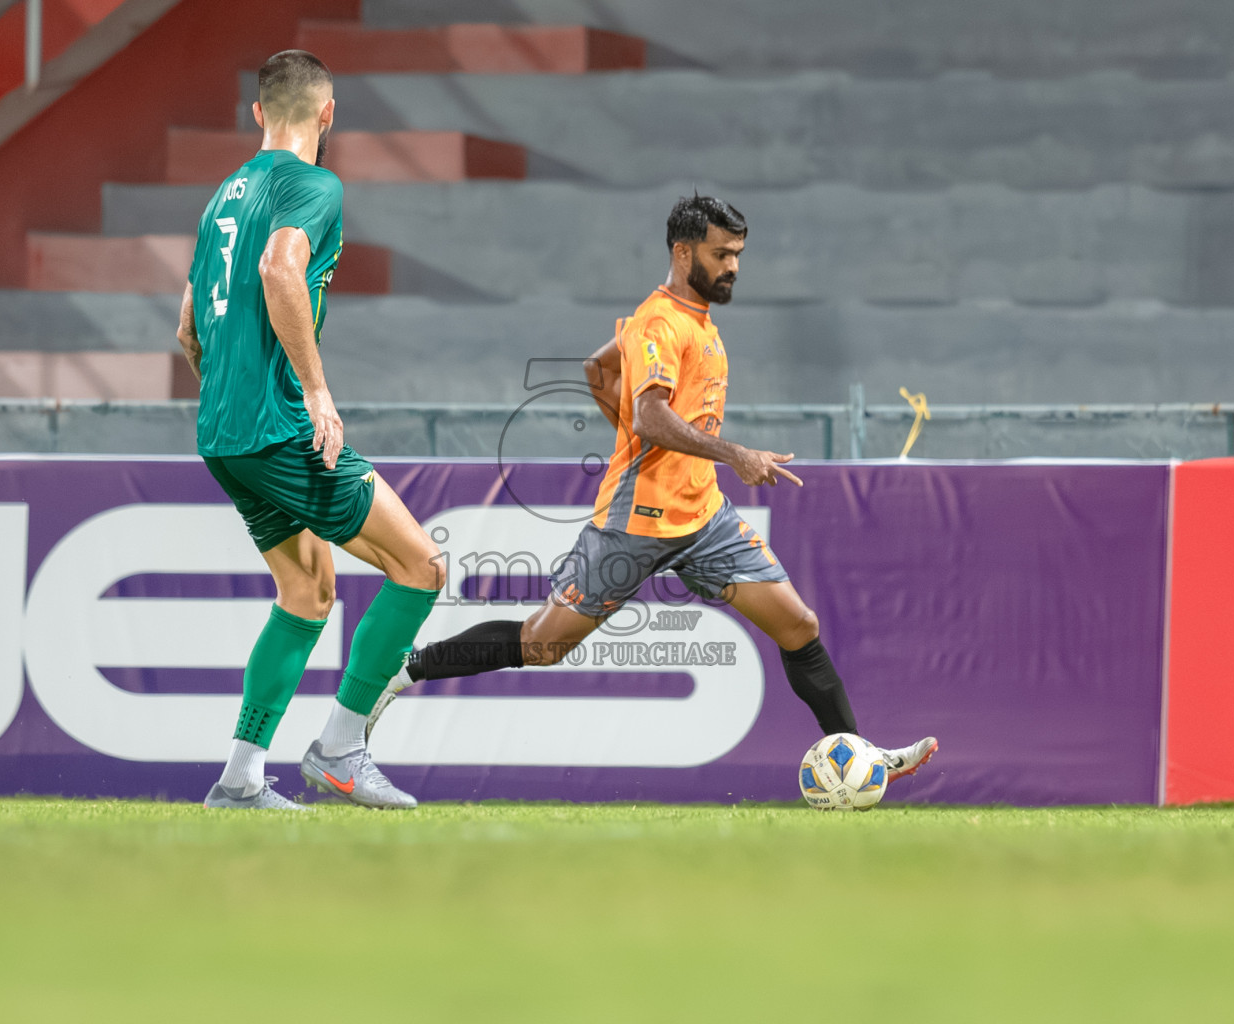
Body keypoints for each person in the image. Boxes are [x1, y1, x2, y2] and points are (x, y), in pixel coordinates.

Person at [368, 195, 936, 781]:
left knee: (799, 626)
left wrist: (646, 437)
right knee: (542, 645)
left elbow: (597, 369)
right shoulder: (661, 322)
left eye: (738, 254)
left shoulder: (690, 320)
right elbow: (649, 416)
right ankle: (405, 670)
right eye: (721, 254)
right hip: (636, 520)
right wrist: (734, 454)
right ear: (683, 252)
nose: (733, 266)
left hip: (704, 518)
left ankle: (859, 757)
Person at [176, 49, 445, 811]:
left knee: (306, 591)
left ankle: (239, 779)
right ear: (328, 114)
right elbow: (279, 269)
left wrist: (230, 394)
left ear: (258, 113)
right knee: (421, 566)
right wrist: (317, 393)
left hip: (221, 432)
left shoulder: (223, 197)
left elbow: (188, 326)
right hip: (277, 426)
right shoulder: (315, 185)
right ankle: (340, 751)